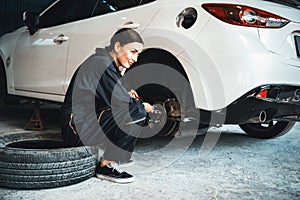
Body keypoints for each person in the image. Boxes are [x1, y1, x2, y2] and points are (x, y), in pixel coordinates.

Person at [60, 28, 153, 183]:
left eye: (138, 54)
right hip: (75, 128)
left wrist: (128, 94)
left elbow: (118, 95)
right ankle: (106, 166)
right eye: (133, 52)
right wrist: (144, 106)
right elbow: (124, 103)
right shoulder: (101, 64)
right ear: (117, 46)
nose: (135, 59)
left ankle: (118, 156)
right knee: (136, 112)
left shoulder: (107, 63)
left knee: (134, 109)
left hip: (82, 124)